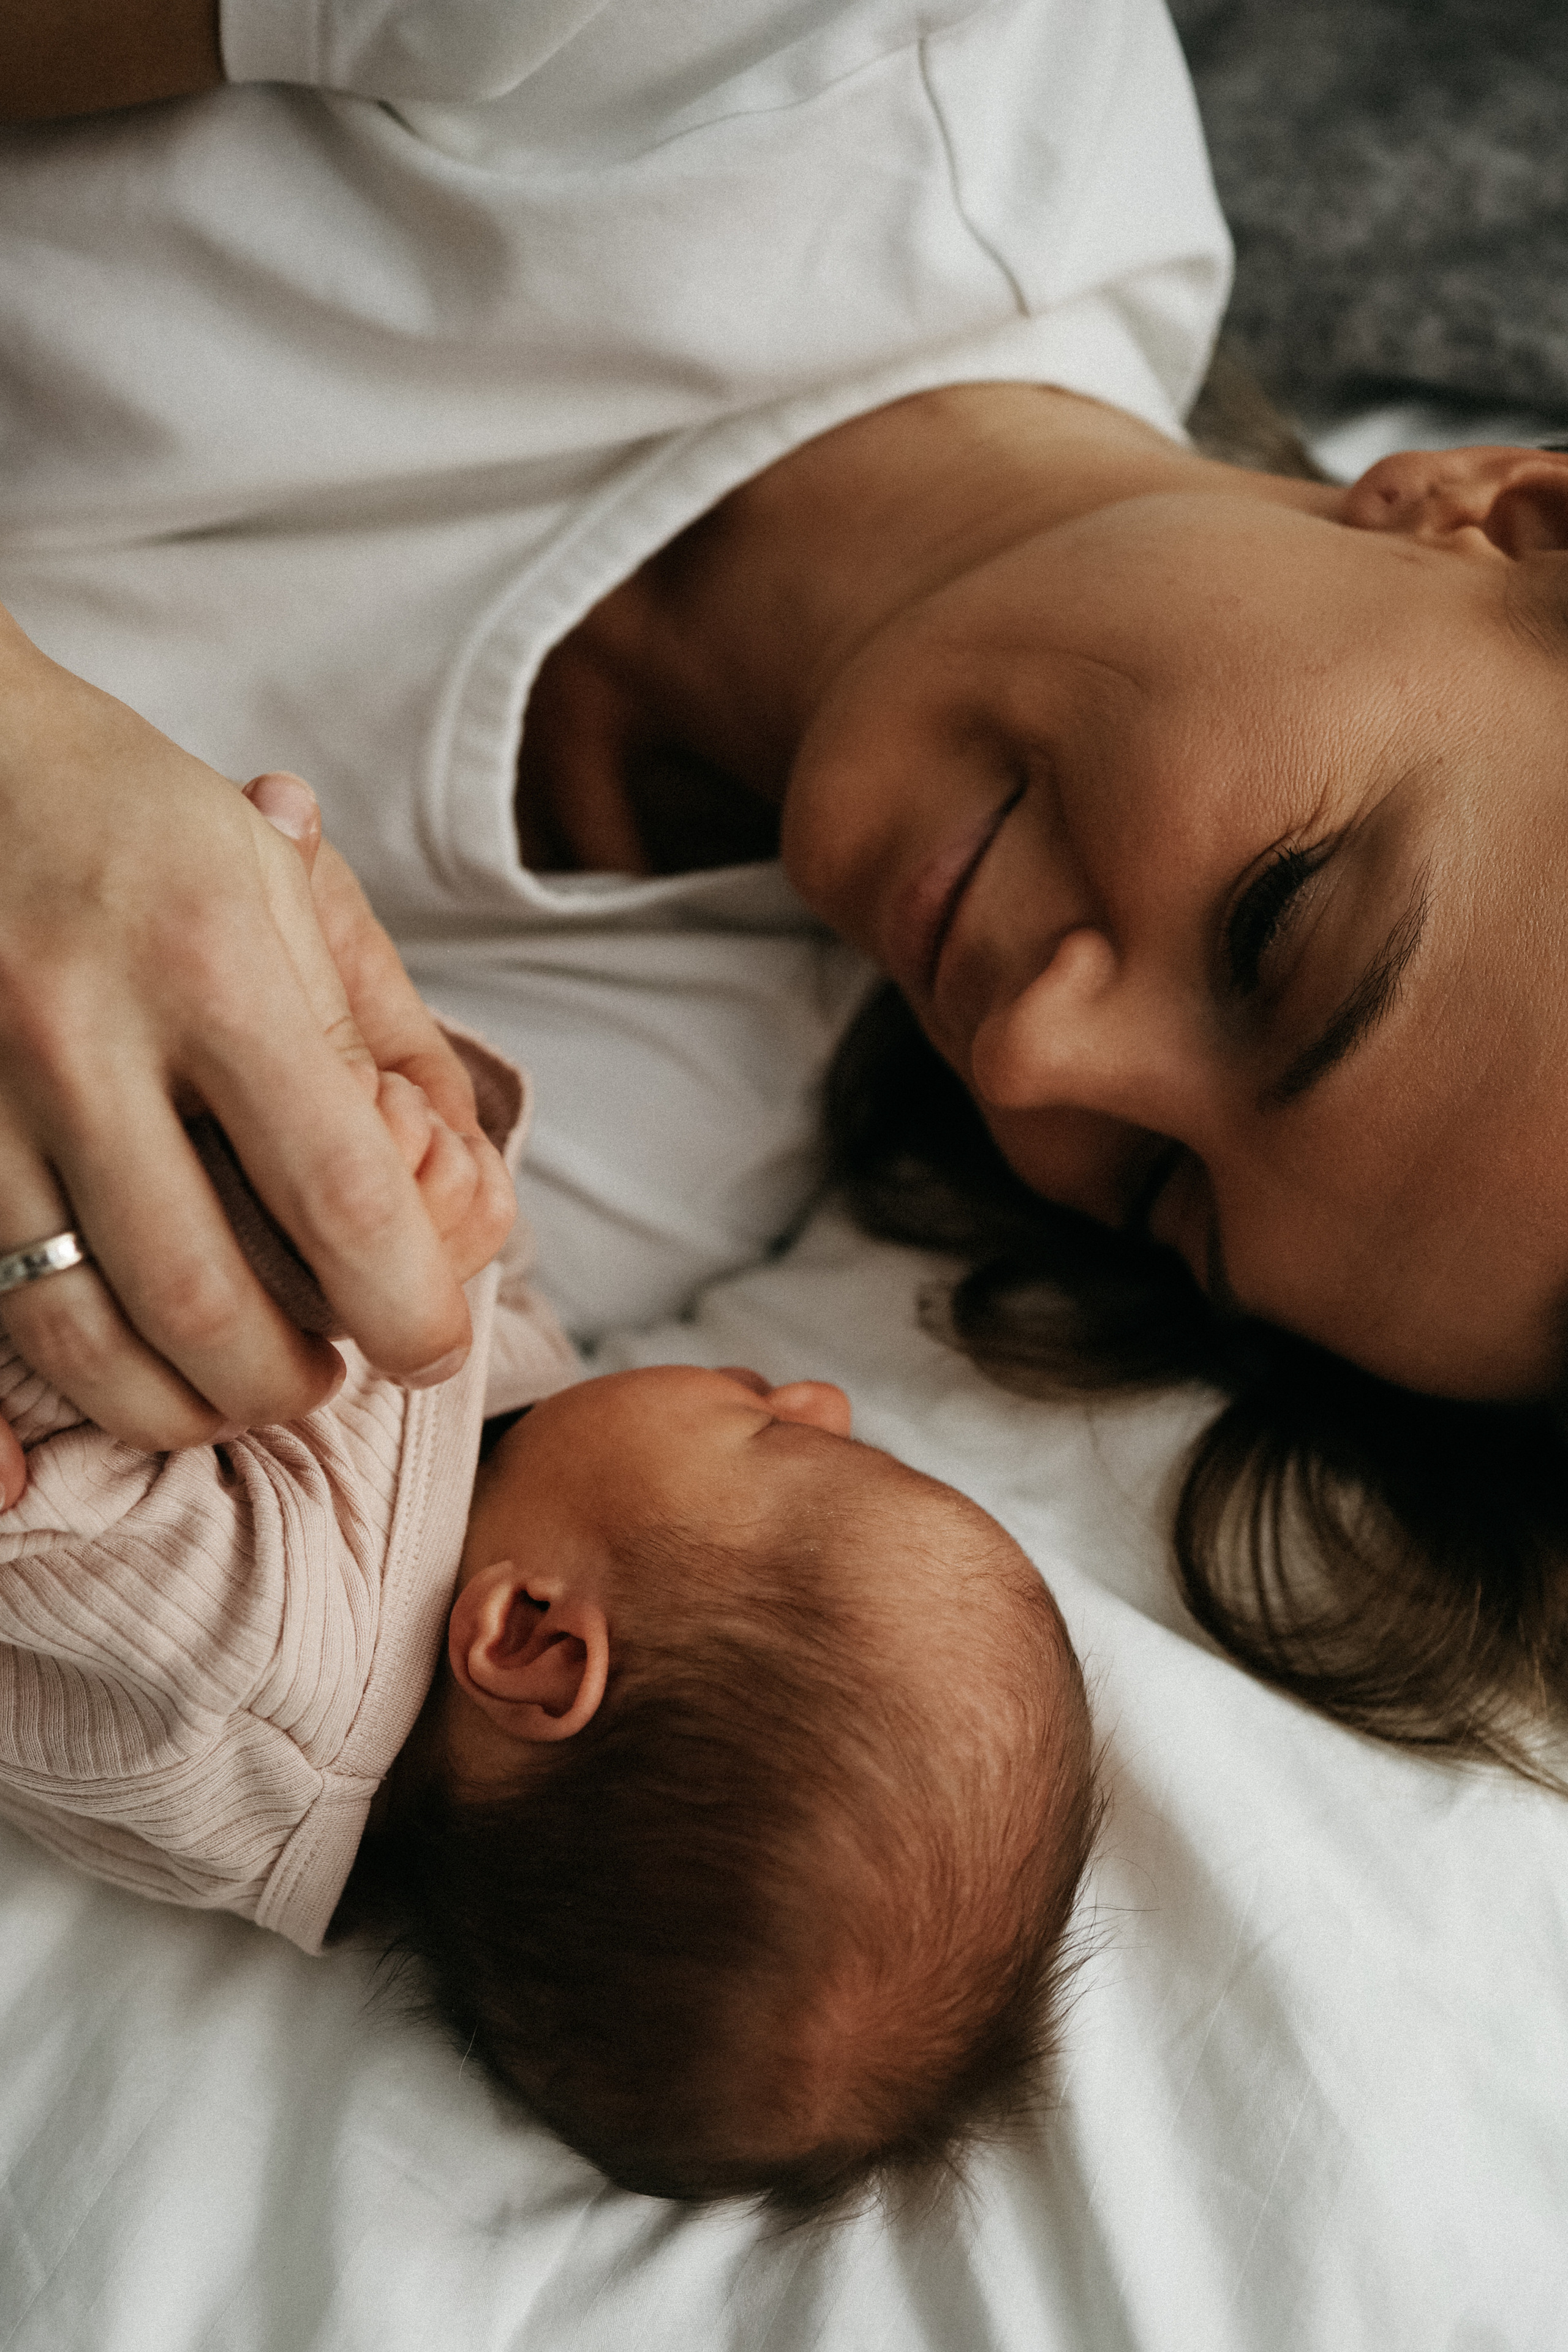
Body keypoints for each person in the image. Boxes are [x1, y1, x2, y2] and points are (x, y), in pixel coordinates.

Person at [2, 3, 1564, 1775]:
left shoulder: (593, 1170)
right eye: (1275, 933)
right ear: (1502, 515)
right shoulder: (822, 48)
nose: (1039, 1065)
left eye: (1158, 1191)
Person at [0, 1009, 1094, 2211]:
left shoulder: (260, 1678)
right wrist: (435, 1168)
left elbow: (42, 1494)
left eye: (785, 1443)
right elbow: (480, 1291)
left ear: (532, 1643)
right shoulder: (520, 1471)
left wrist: (278, 1226)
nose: (820, 1394)